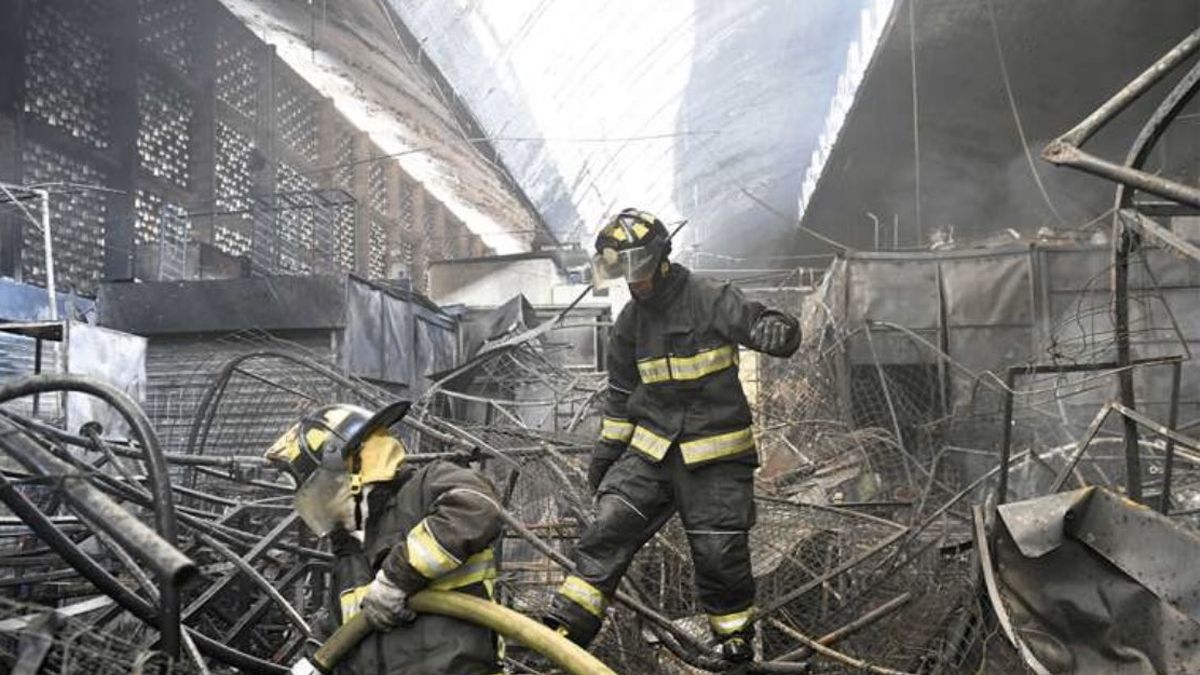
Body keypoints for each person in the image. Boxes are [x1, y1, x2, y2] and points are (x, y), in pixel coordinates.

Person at [544, 209, 801, 662]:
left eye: (637, 272)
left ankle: (735, 644)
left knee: (719, 553)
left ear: (661, 261)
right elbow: (621, 396)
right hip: (651, 453)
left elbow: (764, 322)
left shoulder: (709, 298)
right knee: (607, 530)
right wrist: (608, 451)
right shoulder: (629, 323)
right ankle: (562, 635)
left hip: (715, 458)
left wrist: (777, 331)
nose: (633, 283)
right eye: (623, 275)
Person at [266, 402, 503, 674]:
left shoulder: (426, 488)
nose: (323, 500)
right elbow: (342, 626)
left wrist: (397, 578)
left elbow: (476, 507)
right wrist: (314, 660)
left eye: (319, 488)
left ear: (350, 467)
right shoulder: (352, 549)